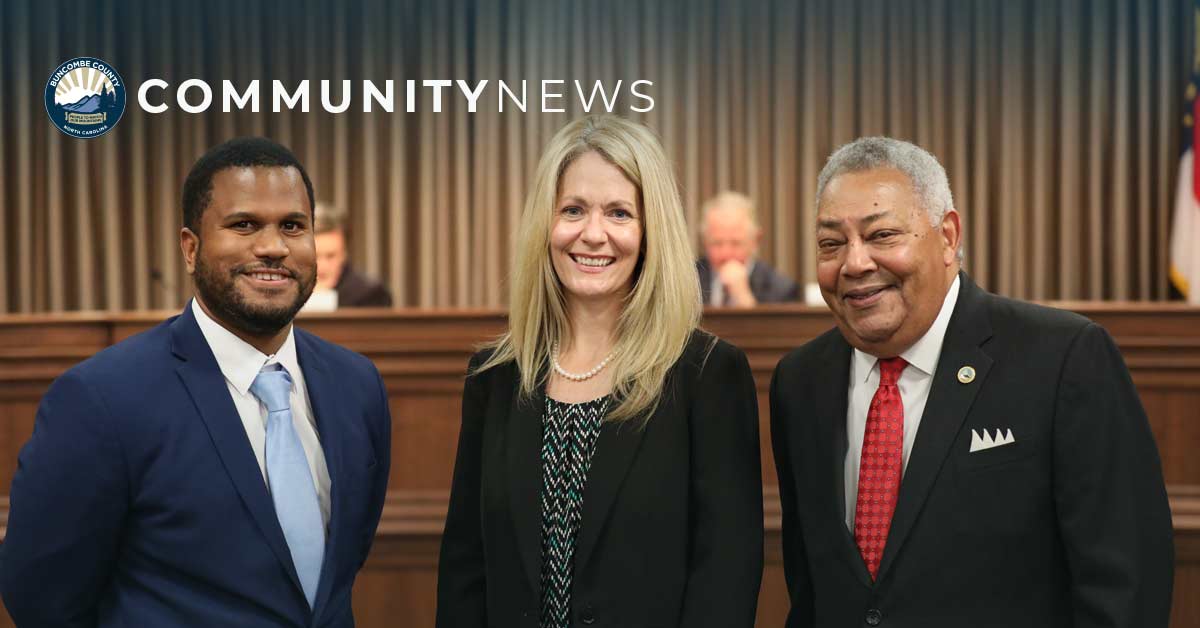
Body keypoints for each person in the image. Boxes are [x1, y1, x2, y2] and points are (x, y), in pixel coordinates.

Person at [770, 136, 1174, 627]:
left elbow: (1124, 588)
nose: (854, 264)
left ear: (948, 236)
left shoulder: (1063, 358)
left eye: (882, 236)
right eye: (831, 243)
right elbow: (811, 590)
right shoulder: (799, 383)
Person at [0, 137, 392, 627]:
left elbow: (342, 566)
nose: (272, 247)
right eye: (244, 225)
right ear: (191, 247)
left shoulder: (358, 386)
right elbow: (41, 598)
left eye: (293, 226)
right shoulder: (101, 399)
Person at [436, 115, 763, 628]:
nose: (593, 234)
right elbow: (464, 567)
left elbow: (725, 574)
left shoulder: (708, 374)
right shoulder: (494, 377)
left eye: (619, 213)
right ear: (546, 224)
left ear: (651, 230)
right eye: (573, 210)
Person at [696, 191, 799, 306]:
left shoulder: (781, 289)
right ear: (704, 241)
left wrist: (743, 297)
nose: (725, 253)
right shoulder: (688, 281)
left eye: (736, 243)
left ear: (755, 240)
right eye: (717, 243)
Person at [311, 201, 393, 308]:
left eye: (331, 256)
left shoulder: (372, 295)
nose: (322, 266)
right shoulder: (286, 293)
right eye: (314, 256)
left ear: (344, 254)